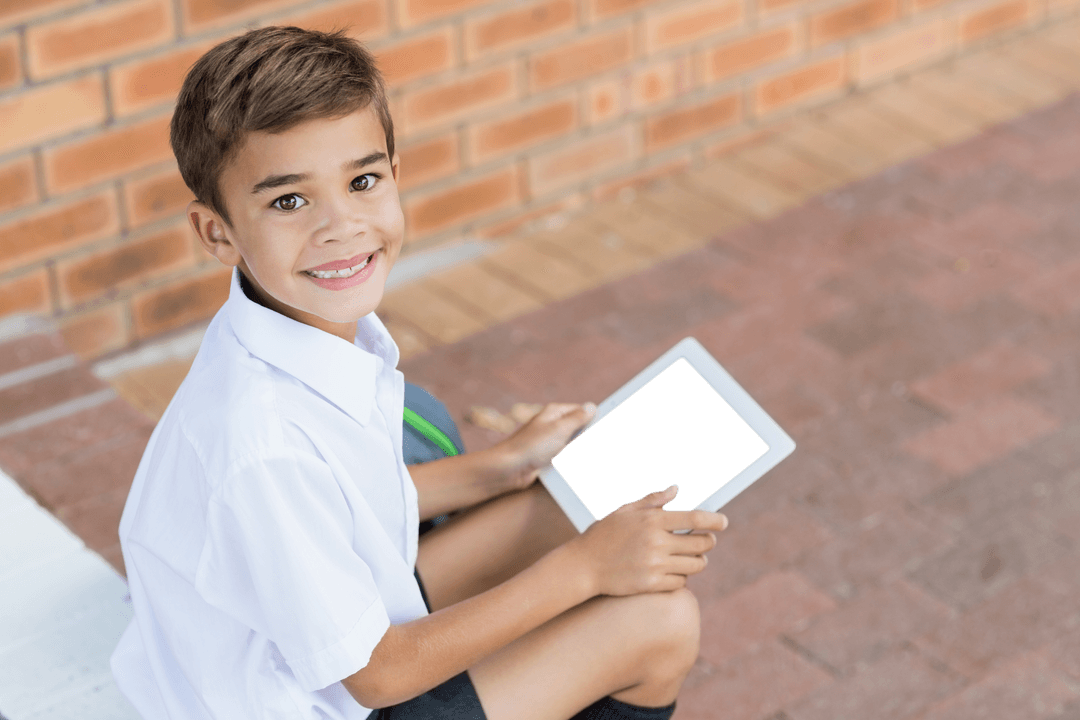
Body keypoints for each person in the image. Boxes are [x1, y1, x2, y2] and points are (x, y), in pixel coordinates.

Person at [109, 25, 728, 720]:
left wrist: (498, 467)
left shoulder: (289, 331)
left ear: (395, 174)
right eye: (289, 201)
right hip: (333, 695)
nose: (340, 225)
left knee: (564, 501)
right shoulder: (258, 442)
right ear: (217, 232)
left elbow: (340, 500)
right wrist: (583, 571)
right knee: (658, 622)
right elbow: (372, 676)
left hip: (319, 635)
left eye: (362, 181)